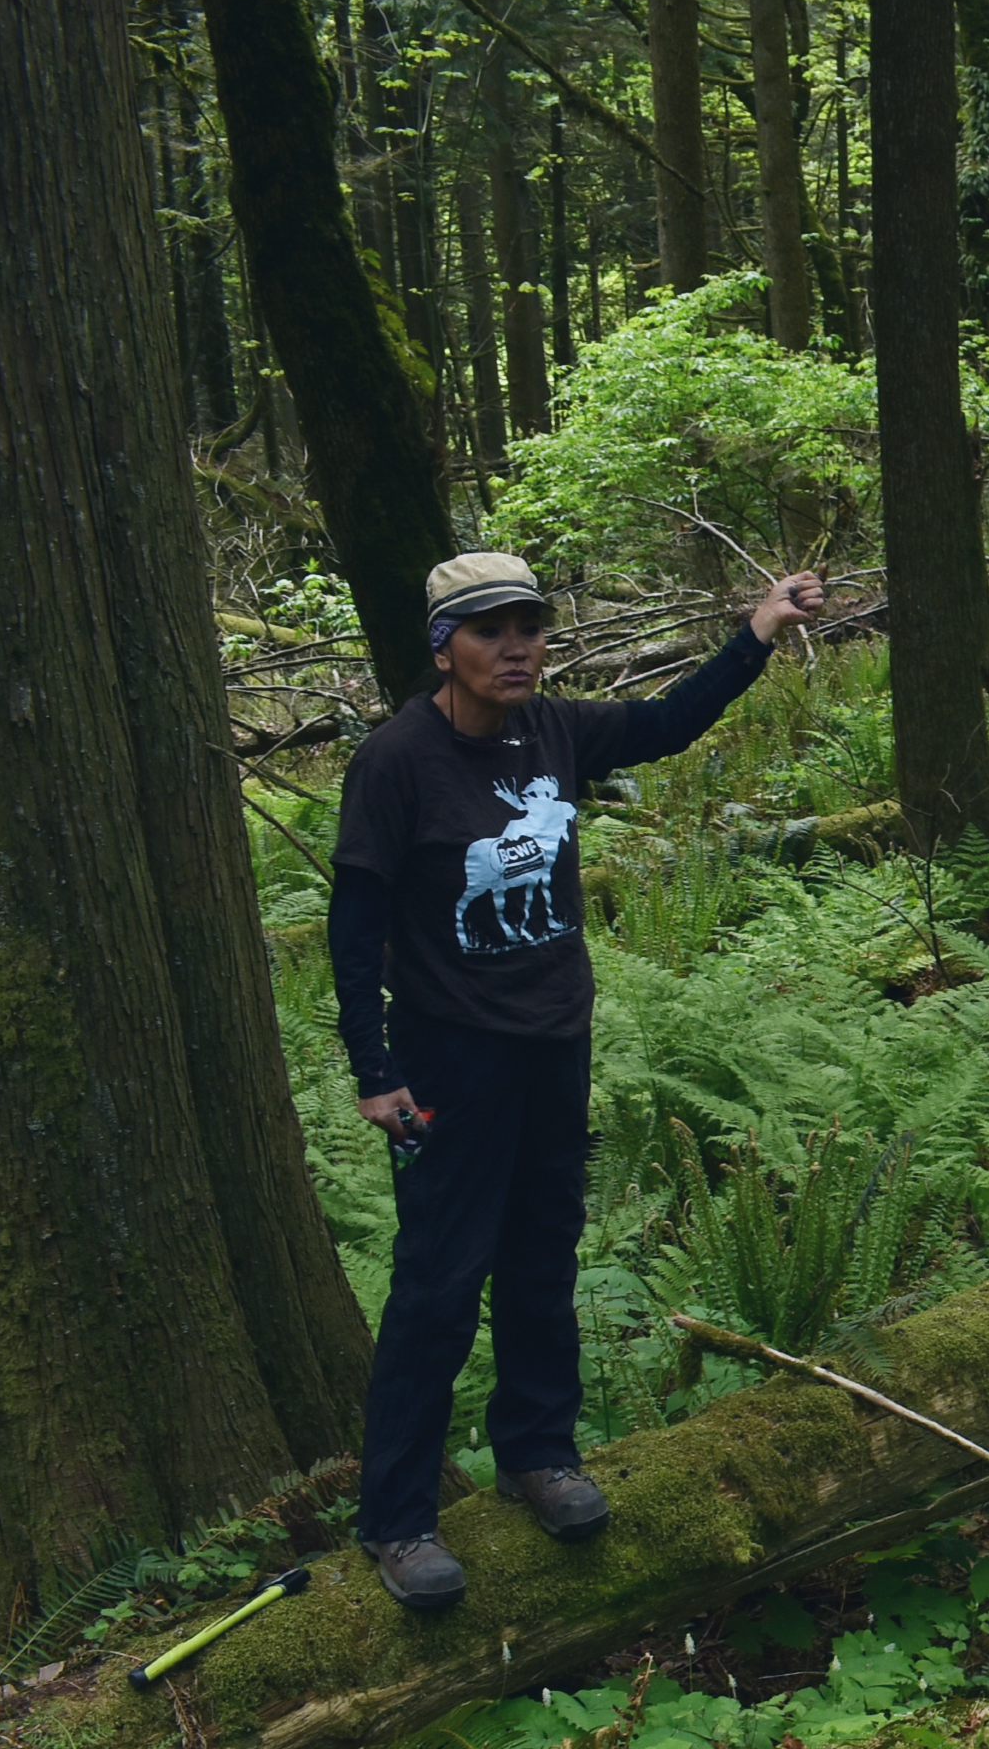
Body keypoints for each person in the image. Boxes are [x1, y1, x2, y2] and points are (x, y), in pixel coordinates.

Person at [334, 551, 825, 1609]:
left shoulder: (553, 731)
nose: (517, 649)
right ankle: (398, 1520)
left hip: (554, 1040)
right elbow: (355, 920)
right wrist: (373, 1069)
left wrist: (757, 633)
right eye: (491, 631)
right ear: (443, 649)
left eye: (530, 628)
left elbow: (668, 724)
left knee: (543, 1251)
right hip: (447, 1059)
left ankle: (538, 1453)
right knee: (438, 1279)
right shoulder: (396, 761)